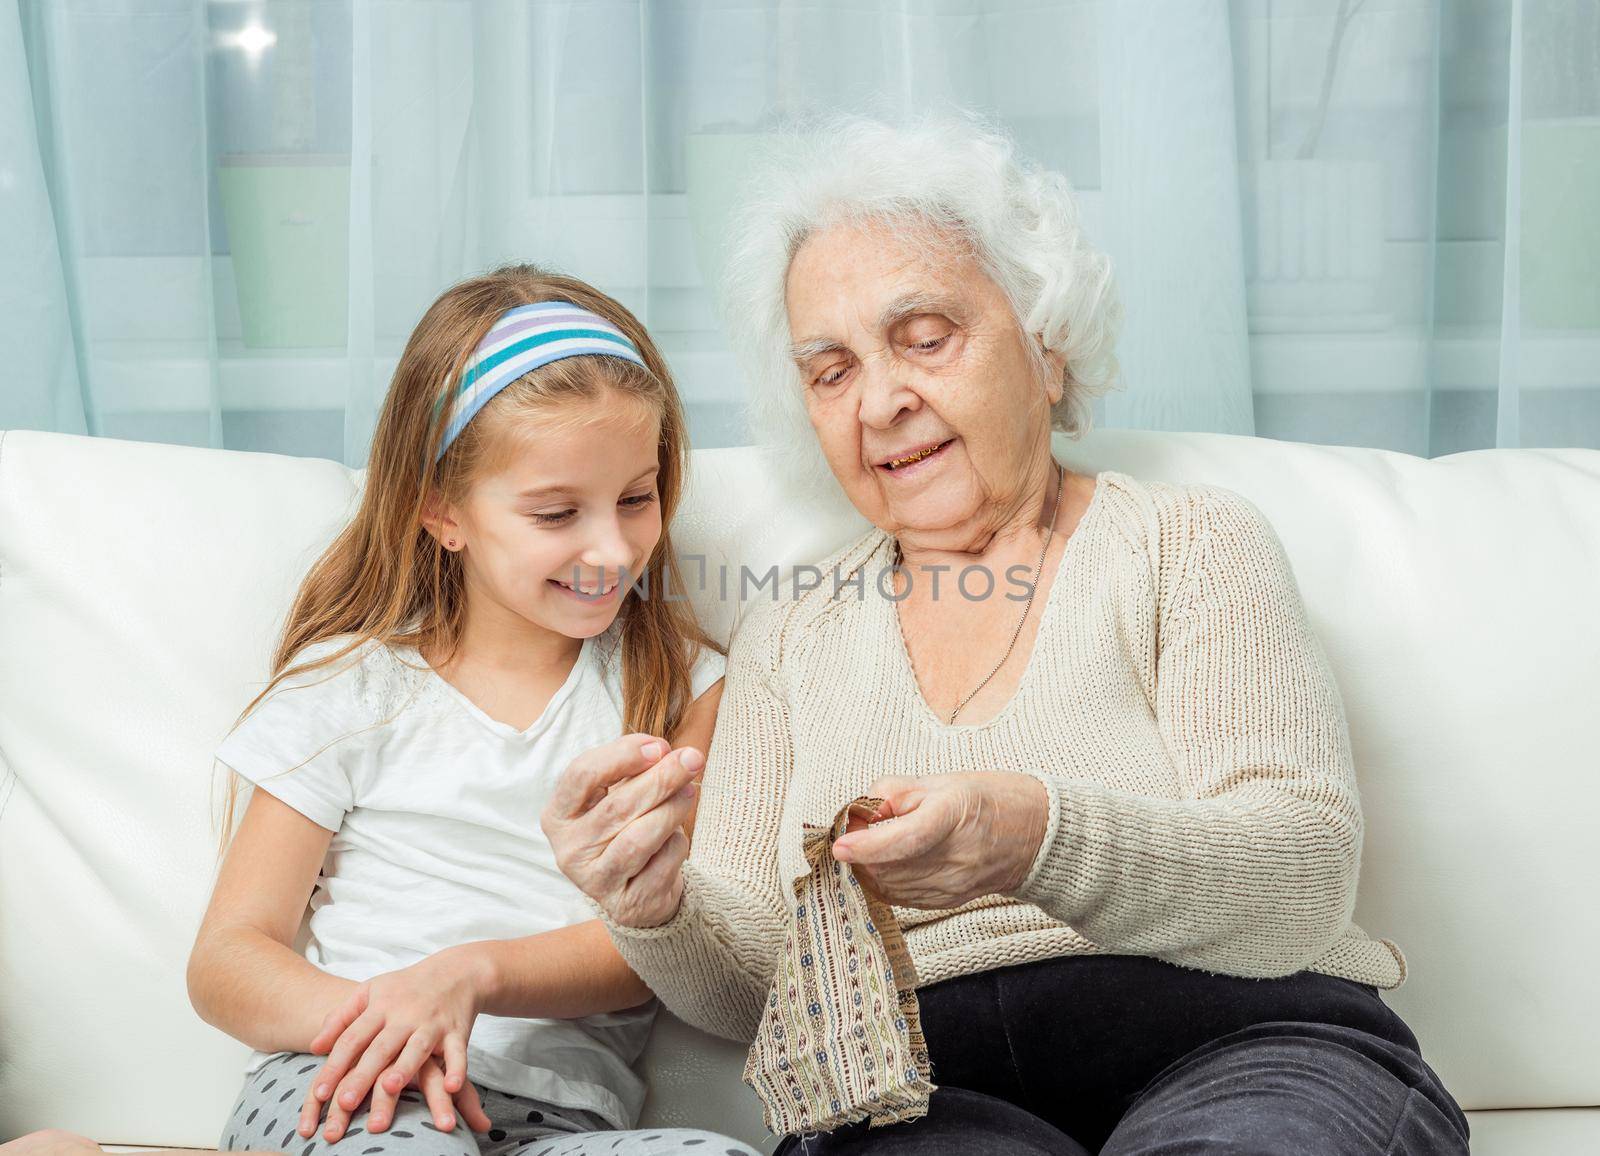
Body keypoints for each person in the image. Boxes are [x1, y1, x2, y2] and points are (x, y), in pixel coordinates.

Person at [543, 115, 1472, 1154]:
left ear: (1046, 344)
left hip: (1248, 1041)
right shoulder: (787, 632)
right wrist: (655, 906)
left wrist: (1035, 838)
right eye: (830, 369)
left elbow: (1300, 872)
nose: (882, 401)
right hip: (917, 1094)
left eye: (923, 338)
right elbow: (754, 973)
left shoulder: (1192, 543)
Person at [187, 264, 757, 1156]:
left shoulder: (685, 687)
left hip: (563, 1123)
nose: (611, 547)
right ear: (441, 509)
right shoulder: (353, 686)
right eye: (557, 512)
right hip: (349, 1082)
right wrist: (395, 1022)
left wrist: (471, 976)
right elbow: (227, 956)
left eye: (636, 498)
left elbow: (646, 949)